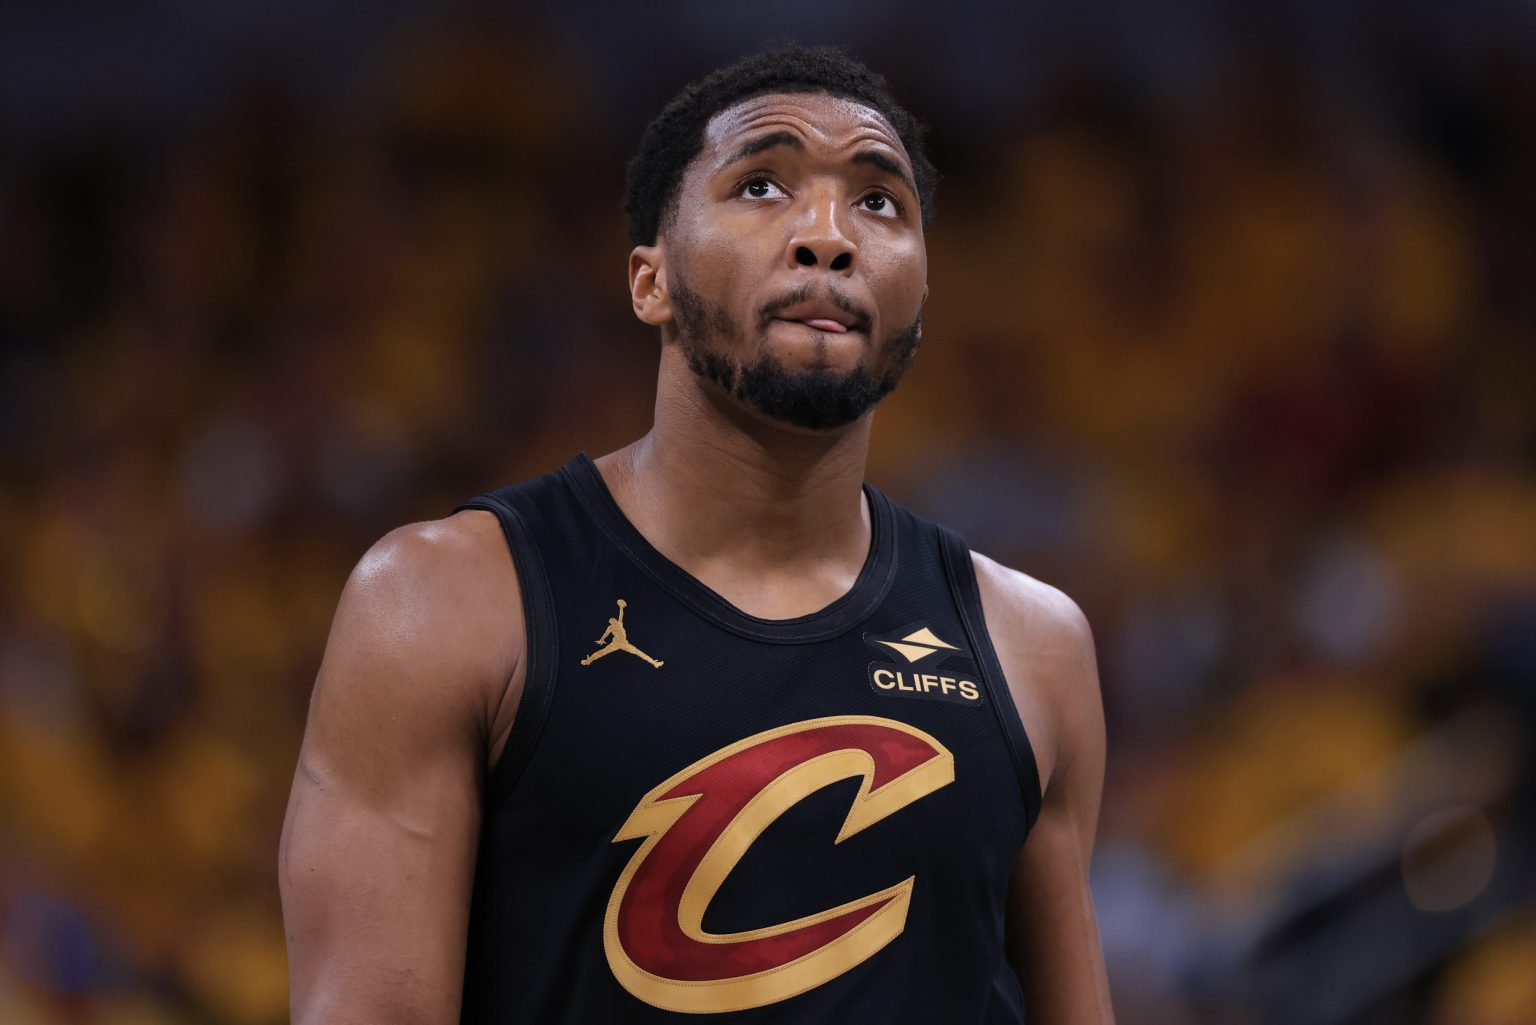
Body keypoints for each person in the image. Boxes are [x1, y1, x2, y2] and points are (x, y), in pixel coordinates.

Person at [280, 42, 1114, 1024]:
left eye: (878, 202)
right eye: (761, 185)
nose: (828, 237)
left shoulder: (1033, 643)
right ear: (652, 281)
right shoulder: (442, 603)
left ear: (920, 304)